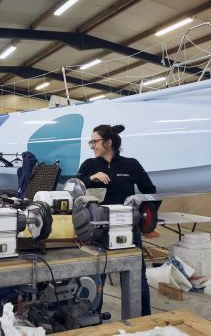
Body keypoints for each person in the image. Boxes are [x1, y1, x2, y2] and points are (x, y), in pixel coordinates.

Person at [77, 124, 157, 316]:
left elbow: (150, 191)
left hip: (128, 230)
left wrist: (142, 214)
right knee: (94, 277)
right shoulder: (90, 165)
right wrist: (90, 179)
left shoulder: (131, 164)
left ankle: (142, 321)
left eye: (94, 141)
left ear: (108, 142)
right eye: (91, 142)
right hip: (95, 231)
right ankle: (91, 319)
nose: (92, 146)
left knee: (137, 276)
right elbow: (74, 188)